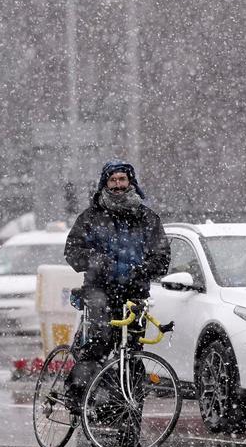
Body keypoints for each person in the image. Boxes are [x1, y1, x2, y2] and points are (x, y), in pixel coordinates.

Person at [63, 160, 170, 409]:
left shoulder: (147, 218)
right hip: (99, 290)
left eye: (122, 180)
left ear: (131, 182)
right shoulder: (91, 217)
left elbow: (162, 257)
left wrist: (142, 270)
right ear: (105, 184)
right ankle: (76, 393)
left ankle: (127, 411)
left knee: (132, 354)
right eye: (113, 180)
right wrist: (96, 261)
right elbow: (72, 250)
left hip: (134, 294)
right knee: (98, 343)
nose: (118, 185)